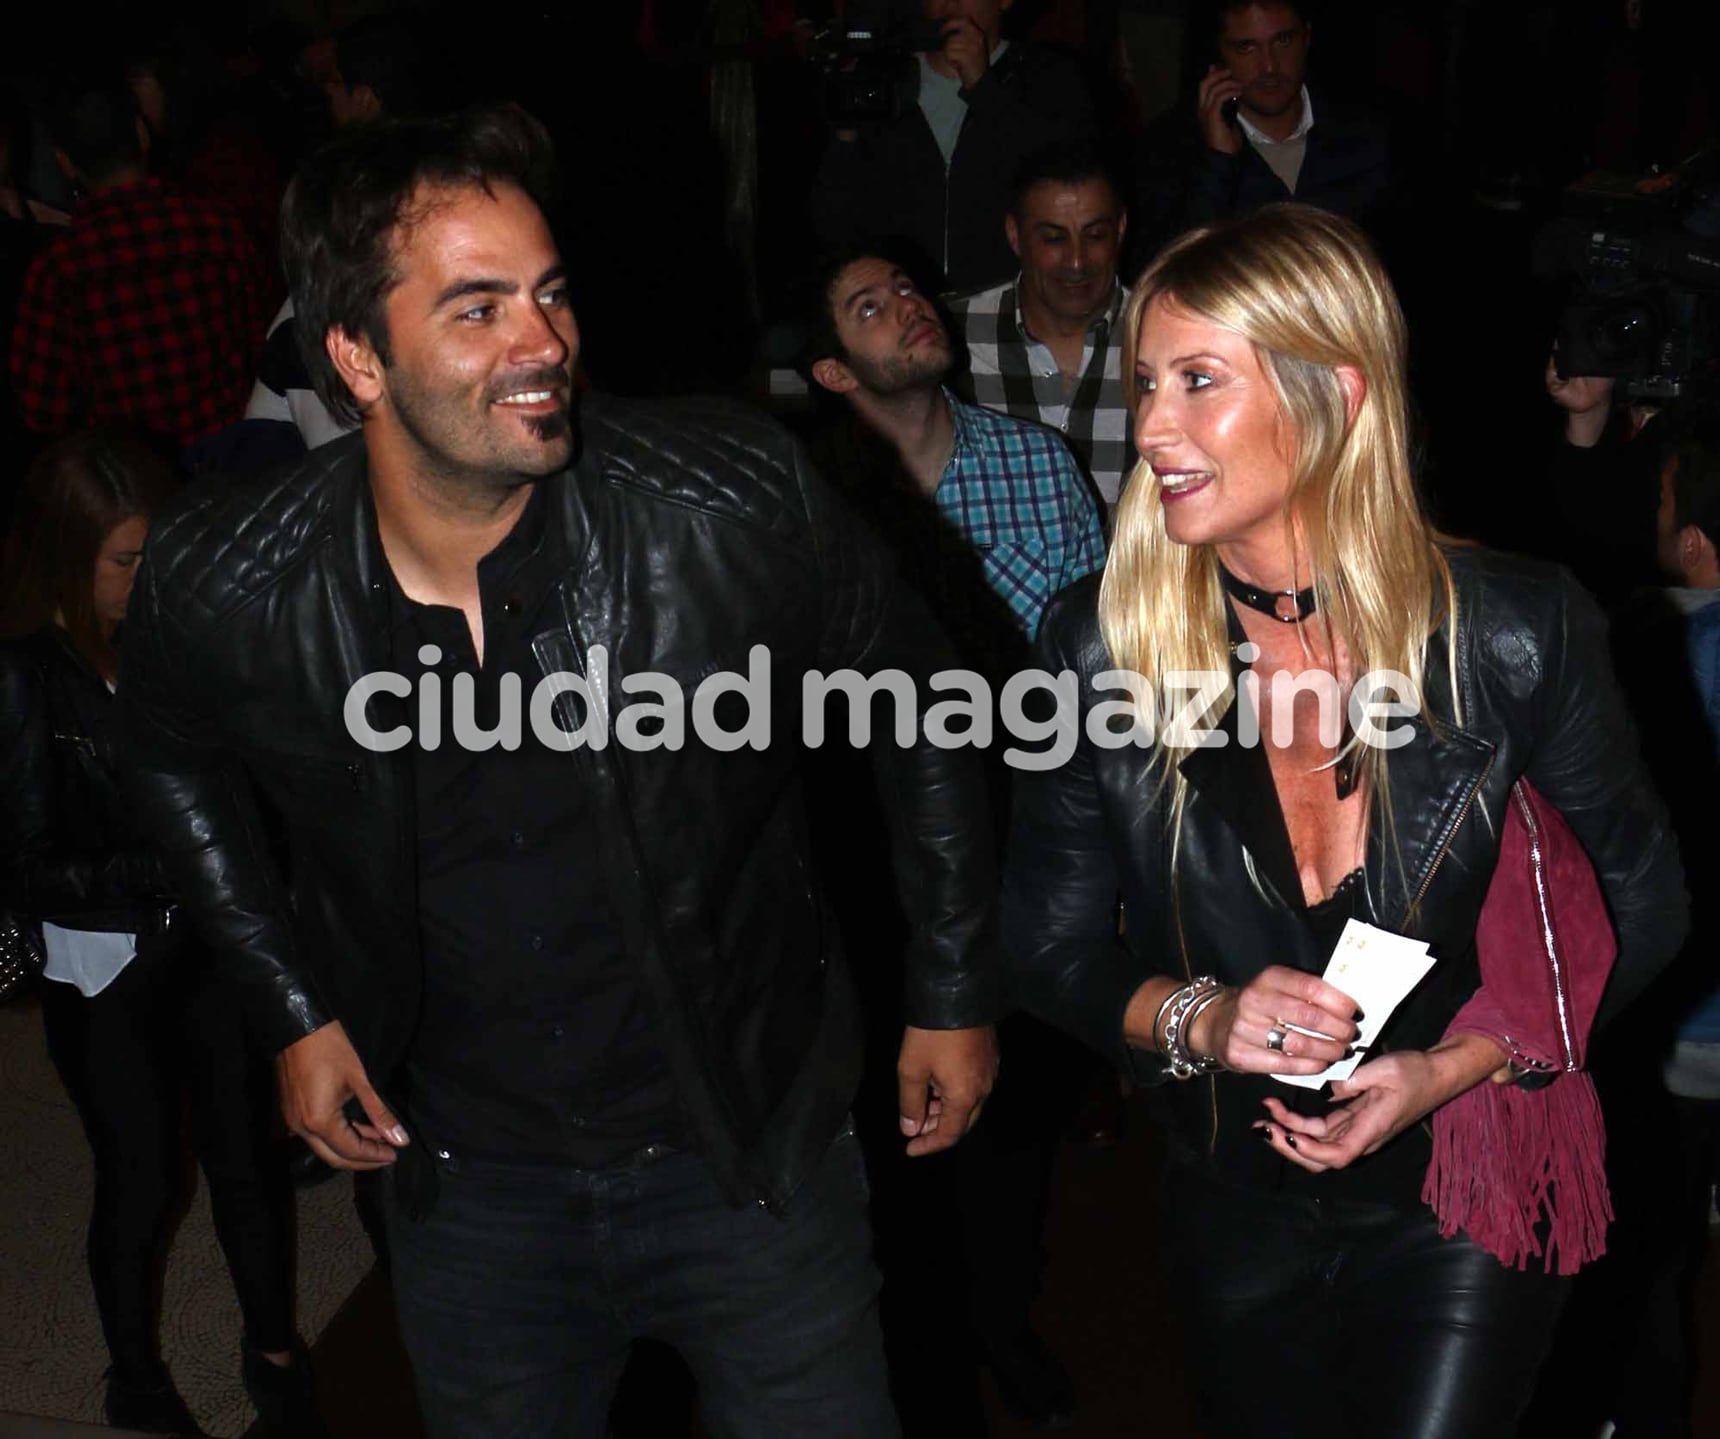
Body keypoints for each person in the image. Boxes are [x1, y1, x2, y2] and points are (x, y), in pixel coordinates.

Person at [120, 106, 999, 1439]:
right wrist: (292, 1004)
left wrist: (949, 981)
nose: (544, 345)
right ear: (355, 355)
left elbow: (926, 703)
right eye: (475, 310)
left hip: (747, 1146)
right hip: (468, 1183)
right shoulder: (231, 575)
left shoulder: (725, 502)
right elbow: (168, 754)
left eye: (549, 293)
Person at [1002, 203, 1686, 1439]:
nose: (1150, 425)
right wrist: (1203, 1014)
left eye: (1197, 381)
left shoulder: (1513, 631)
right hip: (1231, 1198)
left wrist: (1453, 1065)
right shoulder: (1098, 650)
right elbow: (1044, 943)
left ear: (1335, 394)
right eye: (1145, 382)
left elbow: (1644, 902)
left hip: (1461, 1181)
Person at [0, 430, 322, 1438]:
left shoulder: (180, 635)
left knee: (248, 1158)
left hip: (212, 944)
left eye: (158, 552)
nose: (150, 576)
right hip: (104, 967)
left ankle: (275, 1349)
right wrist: (176, 858)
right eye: (126, 559)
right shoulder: (23, 677)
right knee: (138, 1178)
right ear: (65, 554)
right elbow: (25, 862)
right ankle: (133, 1374)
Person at [9, 78, 266, 452]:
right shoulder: (216, 227)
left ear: (65, 163)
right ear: (142, 134)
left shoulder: (57, 270)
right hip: (234, 464)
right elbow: (263, 345)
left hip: (139, 487)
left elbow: (42, 409)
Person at [812, 0, 1095, 293]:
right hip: (906, 308)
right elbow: (836, 220)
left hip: (1013, 304)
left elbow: (1065, 190)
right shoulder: (884, 79)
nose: (950, 3)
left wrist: (985, 91)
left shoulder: (1048, 78)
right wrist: (844, 130)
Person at [947, 139, 1132, 515]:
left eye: (1095, 236)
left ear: (1121, 229)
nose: (1077, 262)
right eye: (1053, 239)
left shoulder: (1166, 333)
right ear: (1015, 236)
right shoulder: (951, 332)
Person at [1139, 1, 1388, 243]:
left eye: (1283, 41)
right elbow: (1176, 271)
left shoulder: (1364, 134)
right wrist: (1217, 164)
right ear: (1219, 54)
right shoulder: (1171, 152)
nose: (1269, 66)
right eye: (1246, 47)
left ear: (1306, 39)